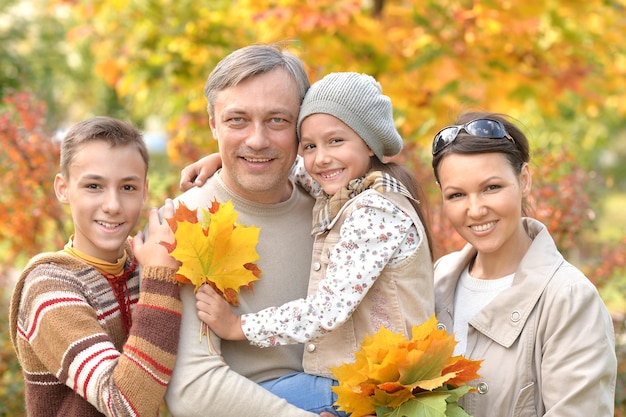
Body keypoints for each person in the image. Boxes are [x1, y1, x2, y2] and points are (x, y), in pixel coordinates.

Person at [193, 71, 435, 415]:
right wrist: (225, 159)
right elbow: (290, 171)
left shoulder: (375, 211)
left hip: (383, 391)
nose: (321, 158)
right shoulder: (346, 185)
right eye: (309, 146)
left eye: (335, 141)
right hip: (361, 381)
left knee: (237, 405)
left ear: (369, 142)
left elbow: (327, 310)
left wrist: (238, 326)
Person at [164, 44, 332, 417]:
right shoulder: (188, 222)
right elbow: (192, 389)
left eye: (277, 121)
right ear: (213, 124)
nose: (257, 140)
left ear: (300, 127)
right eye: (237, 120)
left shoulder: (334, 206)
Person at [431, 112, 617, 416]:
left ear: (524, 180)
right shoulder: (435, 282)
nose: (475, 210)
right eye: (457, 195)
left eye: (491, 187)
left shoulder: (568, 299)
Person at [9, 116, 183, 416]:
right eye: (94, 186)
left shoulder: (143, 265)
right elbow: (124, 404)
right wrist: (160, 279)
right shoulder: (48, 288)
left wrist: (221, 163)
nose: (113, 204)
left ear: (144, 190)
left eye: (128, 187)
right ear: (63, 189)